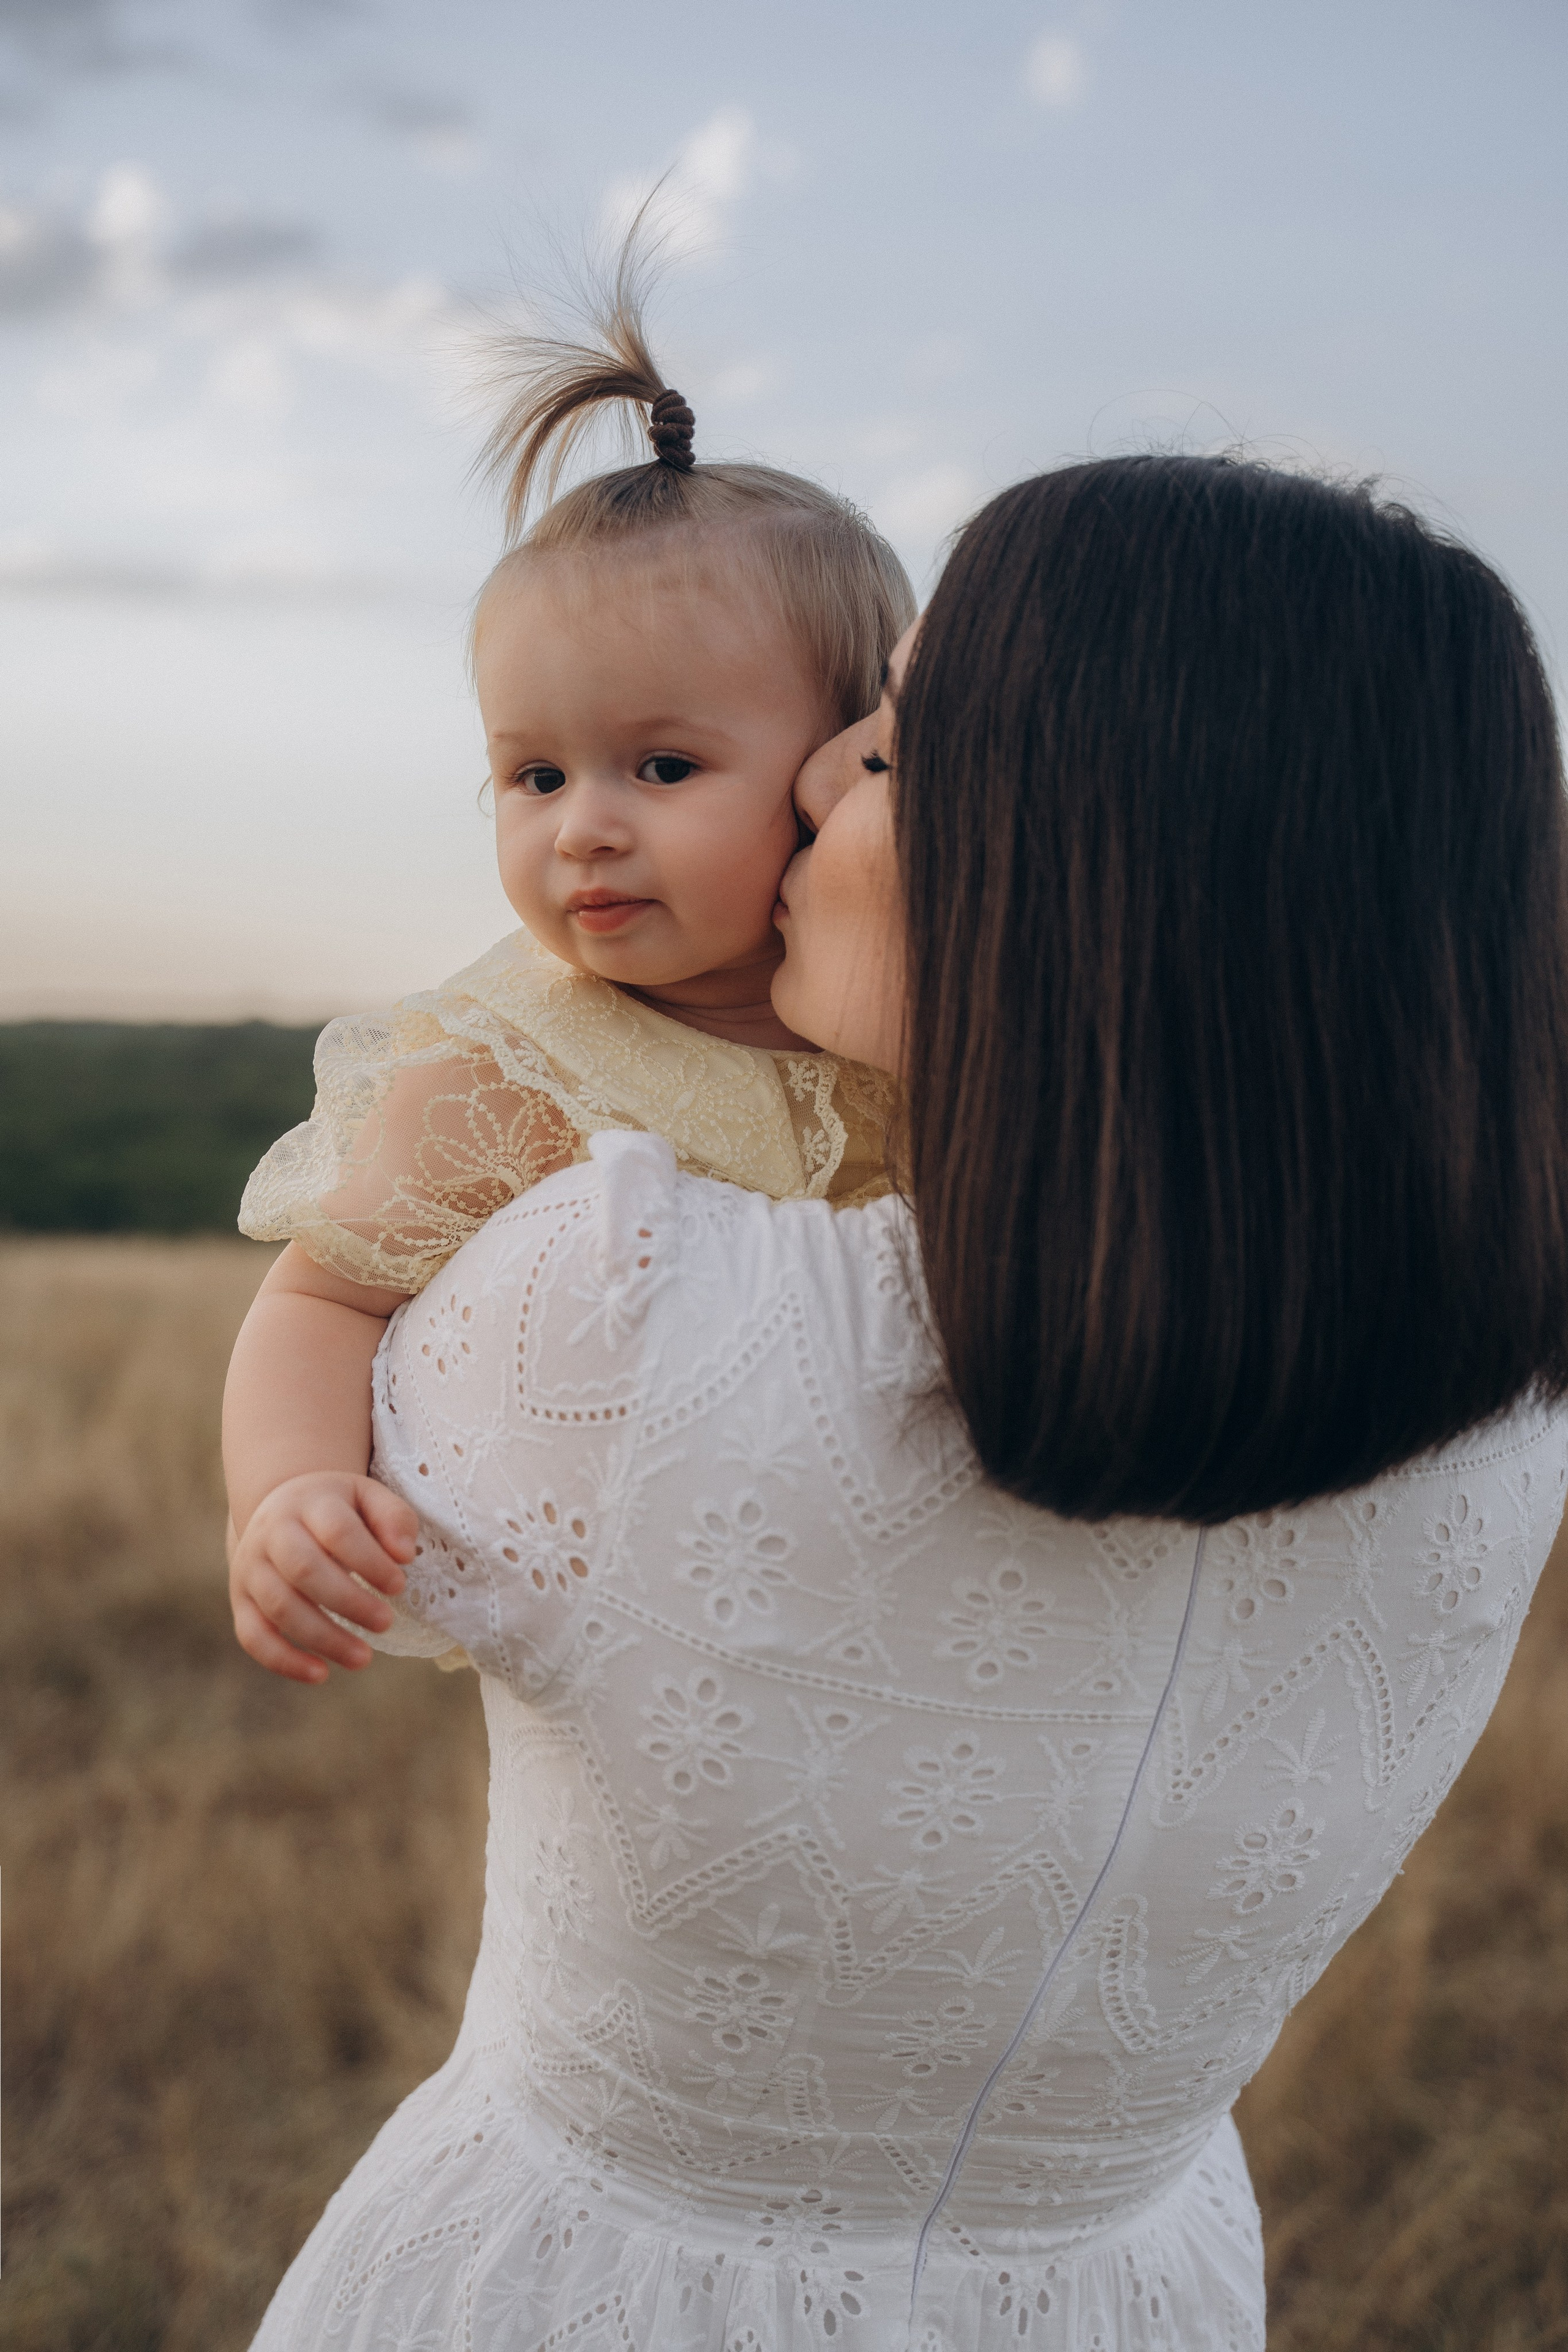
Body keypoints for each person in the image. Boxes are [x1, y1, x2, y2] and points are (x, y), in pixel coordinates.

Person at [237, 454, 1568, 2350]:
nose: (817, 789)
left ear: (1089, 852)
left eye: (893, 746)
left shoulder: (617, 1290)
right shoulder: (1510, 1424)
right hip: (1136, 2288)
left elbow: (368, 1392)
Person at [225, 262, 910, 1673]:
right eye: (531, 775)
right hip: (645, 1650)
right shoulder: (513, 1061)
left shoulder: (916, 1020)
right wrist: (285, 1493)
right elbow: (319, 1299)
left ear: (848, 757)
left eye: (662, 766)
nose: (583, 828)